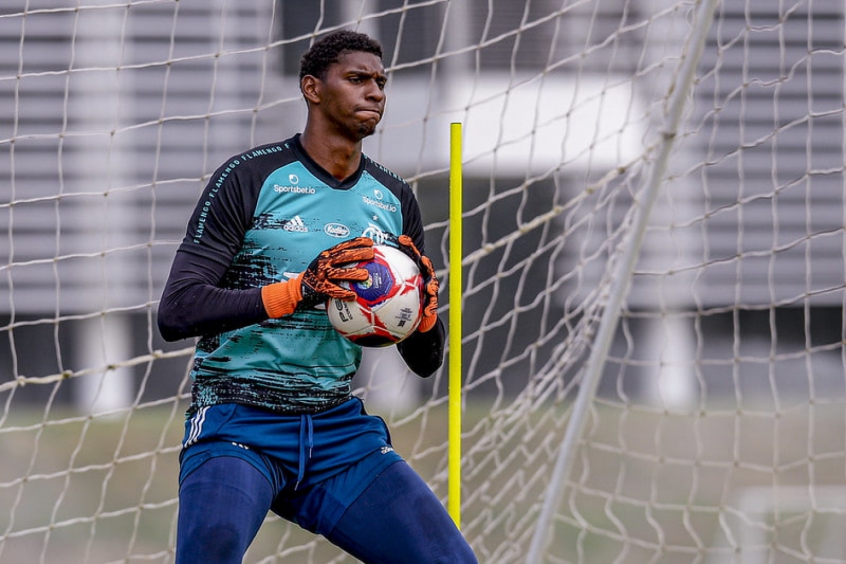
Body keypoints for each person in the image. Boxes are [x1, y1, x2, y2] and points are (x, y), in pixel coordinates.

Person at [157, 29, 477, 563]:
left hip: (337, 433)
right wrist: (302, 290)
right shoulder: (250, 177)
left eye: (380, 82)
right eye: (357, 79)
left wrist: (422, 316)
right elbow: (178, 309)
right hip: (240, 423)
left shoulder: (394, 199)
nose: (374, 92)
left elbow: (424, 364)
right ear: (312, 88)